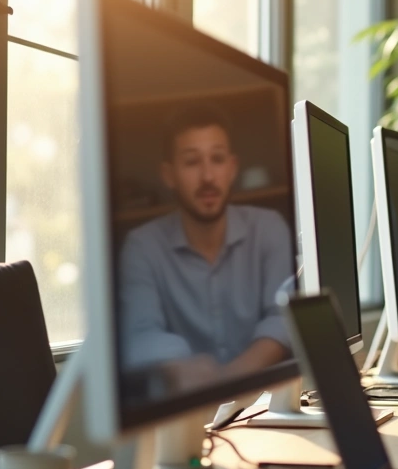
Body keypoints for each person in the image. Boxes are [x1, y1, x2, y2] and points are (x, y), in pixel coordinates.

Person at [118, 107, 294, 389]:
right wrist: (185, 369)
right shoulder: (142, 246)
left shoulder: (268, 228)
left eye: (218, 159)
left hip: (261, 403)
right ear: (169, 174)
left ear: (232, 168)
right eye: (191, 162)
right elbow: (140, 333)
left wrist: (226, 382)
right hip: (184, 411)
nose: (208, 176)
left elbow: (283, 318)